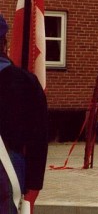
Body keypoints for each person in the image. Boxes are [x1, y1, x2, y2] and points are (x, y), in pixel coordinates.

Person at [0, 14, 48, 213]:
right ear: (4, 42)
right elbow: (39, 136)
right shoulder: (26, 82)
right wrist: (34, 184)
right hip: (9, 170)